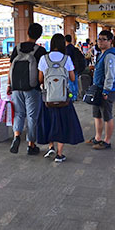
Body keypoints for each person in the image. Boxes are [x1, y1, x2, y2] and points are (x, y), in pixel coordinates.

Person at [37, 34, 84, 162]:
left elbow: (40, 79)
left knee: (49, 121)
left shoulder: (43, 59)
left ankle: (51, 146)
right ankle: (59, 154)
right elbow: (73, 78)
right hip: (63, 99)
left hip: (48, 99)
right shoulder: (66, 59)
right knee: (62, 124)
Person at [8, 23, 47, 155]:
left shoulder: (17, 48)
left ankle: (17, 136)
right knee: (32, 117)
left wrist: (9, 85)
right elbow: (43, 71)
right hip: (32, 88)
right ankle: (31, 145)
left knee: (19, 113)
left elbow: (10, 69)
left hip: (16, 88)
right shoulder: (40, 51)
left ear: (27, 33)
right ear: (39, 35)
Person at [86, 30, 115, 150]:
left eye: (103, 39)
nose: (100, 41)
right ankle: (98, 137)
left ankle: (107, 141)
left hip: (106, 91)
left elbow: (110, 75)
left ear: (110, 41)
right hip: (97, 89)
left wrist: (106, 91)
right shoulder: (101, 54)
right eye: (98, 39)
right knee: (97, 115)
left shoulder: (110, 55)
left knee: (107, 116)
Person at [65, 34, 84, 101]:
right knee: (75, 82)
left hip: (70, 68)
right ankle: (75, 95)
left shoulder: (67, 49)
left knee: (70, 83)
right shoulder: (75, 48)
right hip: (76, 67)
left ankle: (72, 96)